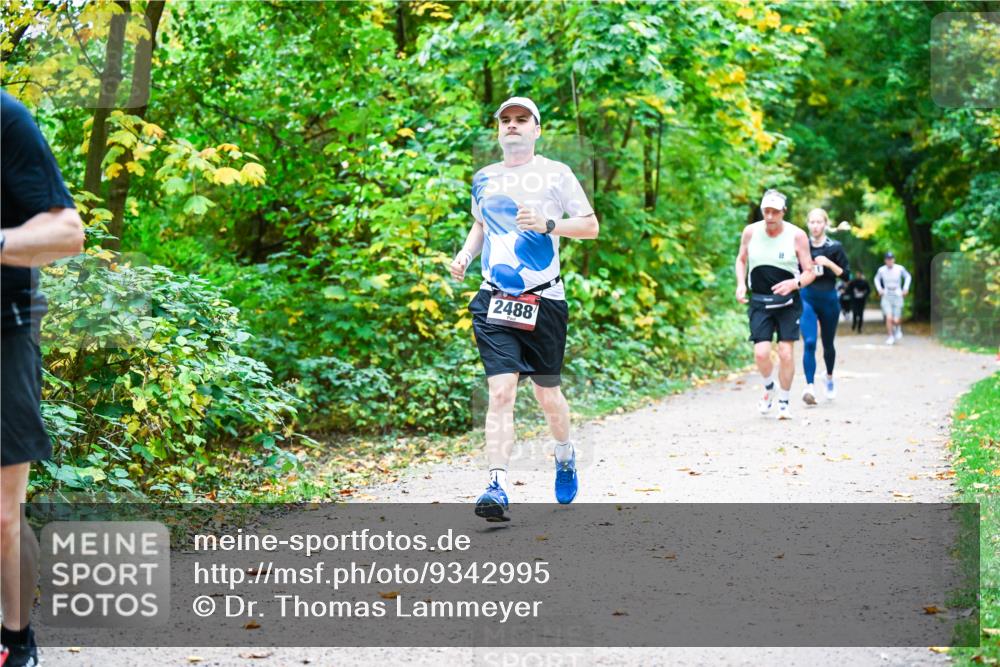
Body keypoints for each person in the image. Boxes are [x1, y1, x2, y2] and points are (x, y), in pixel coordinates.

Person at [449, 96, 599, 521]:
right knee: (501, 392)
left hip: (544, 299)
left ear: (537, 129)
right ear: (499, 130)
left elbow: (590, 226)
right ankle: (496, 486)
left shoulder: (557, 173)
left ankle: (564, 454)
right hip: (495, 298)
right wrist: (465, 255)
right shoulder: (484, 177)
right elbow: (481, 223)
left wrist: (549, 225)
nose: (512, 125)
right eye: (506, 120)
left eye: (521, 119)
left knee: (547, 394)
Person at [1, 91, 85, 667]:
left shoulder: (6, 119)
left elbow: (67, 232)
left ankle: (17, 639)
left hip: (3, 333)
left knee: (3, 515)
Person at [735, 189, 816, 420]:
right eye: (766, 211)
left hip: (788, 302)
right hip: (760, 301)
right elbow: (741, 259)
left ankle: (784, 402)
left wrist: (794, 283)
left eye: (775, 212)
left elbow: (810, 271)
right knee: (761, 354)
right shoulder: (750, 232)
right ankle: (769, 388)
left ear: (783, 212)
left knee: (785, 353)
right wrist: (741, 284)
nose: (770, 216)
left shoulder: (797, 235)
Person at [799, 208, 849, 405]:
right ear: (807, 224)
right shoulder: (801, 246)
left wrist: (828, 263)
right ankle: (809, 387)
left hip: (829, 299)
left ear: (826, 224)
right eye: (812, 222)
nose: (815, 226)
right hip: (807, 298)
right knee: (810, 342)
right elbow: (792, 271)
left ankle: (828, 377)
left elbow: (847, 276)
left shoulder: (835, 247)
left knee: (828, 344)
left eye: (819, 222)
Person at [873, 251, 911, 345]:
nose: (889, 261)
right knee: (889, 317)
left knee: (896, 319)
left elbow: (908, 277)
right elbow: (876, 279)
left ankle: (897, 328)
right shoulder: (881, 270)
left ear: (894, 259)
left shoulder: (899, 268)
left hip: (897, 294)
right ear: (885, 260)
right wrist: (879, 289)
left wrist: (905, 288)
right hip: (886, 294)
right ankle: (890, 336)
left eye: (891, 259)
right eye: (888, 259)